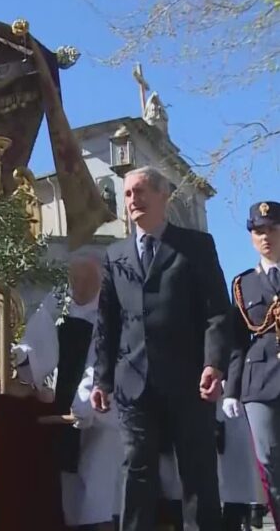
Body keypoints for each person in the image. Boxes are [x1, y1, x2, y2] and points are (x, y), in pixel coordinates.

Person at [91, 166, 230, 531]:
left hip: (189, 382)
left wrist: (214, 364)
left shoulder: (197, 246)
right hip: (133, 383)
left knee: (197, 472)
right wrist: (102, 379)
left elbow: (217, 312)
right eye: (127, 194)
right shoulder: (115, 255)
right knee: (136, 469)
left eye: (140, 191)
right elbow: (107, 322)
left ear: (162, 195)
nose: (132, 200)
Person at [14, 251, 122, 530]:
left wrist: (85, 402)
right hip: (61, 406)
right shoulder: (58, 300)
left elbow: (102, 360)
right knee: (67, 483)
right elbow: (38, 341)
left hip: (102, 413)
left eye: (88, 278)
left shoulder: (112, 307)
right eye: (75, 278)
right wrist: (23, 359)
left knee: (98, 482)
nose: (80, 285)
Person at [223, 200, 280, 517]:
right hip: (259, 381)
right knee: (270, 461)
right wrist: (231, 389)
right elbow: (237, 342)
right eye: (259, 231)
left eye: (272, 229)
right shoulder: (243, 284)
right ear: (251, 237)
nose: (266, 236)